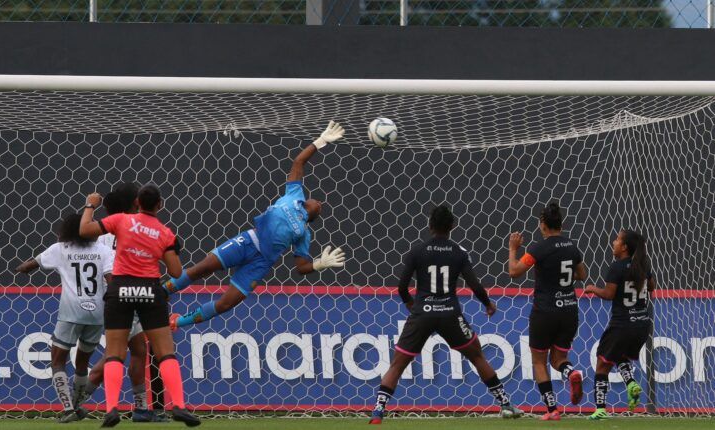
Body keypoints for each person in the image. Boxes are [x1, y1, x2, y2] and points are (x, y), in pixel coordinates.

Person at [164, 121, 346, 330]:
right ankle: (162, 292)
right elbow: (298, 162)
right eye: (319, 201)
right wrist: (320, 141)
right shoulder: (295, 194)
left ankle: (177, 322)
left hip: (260, 264)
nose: (321, 203)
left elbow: (300, 267)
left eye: (321, 207)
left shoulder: (304, 232)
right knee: (202, 268)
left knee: (226, 303)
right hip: (249, 241)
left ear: (313, 216)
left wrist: (319, 264)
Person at [369, 205, 524, 424]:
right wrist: (488, 304)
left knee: (397, 364)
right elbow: (475, 285)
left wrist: (412, 306)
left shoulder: (418, 251)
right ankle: (506, 404)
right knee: (477, 356)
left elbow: (402, 287)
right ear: (452, 226)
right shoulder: (459, 253)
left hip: (422, 313)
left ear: (430, 225)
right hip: (450, 313)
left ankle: (378, 411)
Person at [79, 184, 200, 427]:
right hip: (149, 290)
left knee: (114, 352)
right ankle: (179, 405)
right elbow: (176, 271)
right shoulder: (165, 232)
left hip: (120, 289)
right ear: (160, 205)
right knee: (165, 351)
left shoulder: (121, 221)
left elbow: (84, 231)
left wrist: (91, 205)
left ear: (137, 203)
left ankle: (111, 408)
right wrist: (171, 250)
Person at [73, 183, 166, 422]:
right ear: (135, 203)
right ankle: (76, 404)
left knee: (137, 350)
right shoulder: (133, 226)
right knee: (115, 355)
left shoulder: (103, 232)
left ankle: (141, 408)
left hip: (112, 295)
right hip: (126, 293)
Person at [16, 213, 113, 423]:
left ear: (67, 230)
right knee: (82, 363)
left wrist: (20, 268)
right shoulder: (104, 251)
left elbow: (28, 266)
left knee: (58, 360)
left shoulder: (60, 249)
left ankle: (68, 409)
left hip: (71, 312)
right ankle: (77, 406)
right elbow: (111, 281)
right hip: (97, 313)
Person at [507, 202, 587, 421]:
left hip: (545, 311)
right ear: (561, 224)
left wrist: (513, 249)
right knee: (559, 358)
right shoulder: (572, 247)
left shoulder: (538, 249)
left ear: (542, 225)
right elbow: (582, 275)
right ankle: (572, 372)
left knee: (539, 362)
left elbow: (514, 272)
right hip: (569, 311)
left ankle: (552, 410)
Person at [584, 230, 654, 420]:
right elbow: (652, 287)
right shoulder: (644, 265)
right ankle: (631, 383)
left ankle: (600, 410)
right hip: (642, 324)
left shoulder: (617, 267)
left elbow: (608, 294)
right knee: (620, 355)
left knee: (601, 364)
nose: (613, 242)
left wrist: (592, 288)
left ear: (624, 247)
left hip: (622, 324)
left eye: (617, 239)